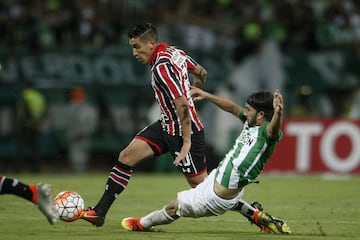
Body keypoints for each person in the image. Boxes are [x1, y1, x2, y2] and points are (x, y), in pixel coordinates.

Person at [80, 22, 208, 227]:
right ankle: (99, 212)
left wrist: (186, 142)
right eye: (132, 47)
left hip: (184, 131)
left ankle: (254, 213)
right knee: (126, 156)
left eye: (136, 47)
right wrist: (196, 93)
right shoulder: (174, 52)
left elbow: (183, 105)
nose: (134, 53)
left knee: (205, 189)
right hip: (166, 125)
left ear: (150, 43)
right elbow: (202, 73)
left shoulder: (161, 67)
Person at [120, 87, 292, 234]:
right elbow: (232, 107)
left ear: (261, 115)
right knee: (231, 200)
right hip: (218, 178)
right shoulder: (250, 123)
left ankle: (142, 224)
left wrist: (278, 113)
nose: (244, 112)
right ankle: (257, 215)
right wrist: (207, 95)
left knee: (174, 208)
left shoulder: (266, 134)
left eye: (248, 110)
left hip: (216, 197)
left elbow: (274, 129)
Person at [15, 81, 47, 172]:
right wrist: (38, 122)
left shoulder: (24, 95)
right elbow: (44, 110)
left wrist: (29, 121)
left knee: (21, 149)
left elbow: (26, 110)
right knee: (35, 149)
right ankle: (36, 169)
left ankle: (18, 169)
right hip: (36, 125)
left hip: (25, 125)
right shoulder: (39, 96)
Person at [66, 86, 98, 173]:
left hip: (83, 134)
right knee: (77, 153)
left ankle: (80, 170)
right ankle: (79, 170)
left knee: (81, 153)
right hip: (77, 134)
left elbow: (91, 122)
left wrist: (87, 131)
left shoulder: (86, 108)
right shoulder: (73, 106)